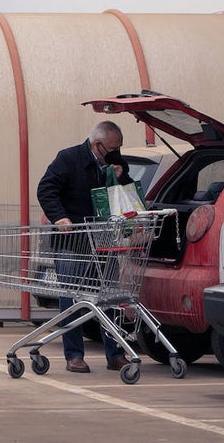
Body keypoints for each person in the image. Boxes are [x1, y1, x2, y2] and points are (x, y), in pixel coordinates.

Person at [36, 120, 134, 374]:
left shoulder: (115, 163)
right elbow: (46, 189)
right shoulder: (69, 159)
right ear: (97, 144)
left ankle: (116, 354)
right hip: (73, 241)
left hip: (103, 242)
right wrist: (59, 217)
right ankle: (74, 355)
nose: (116, 153)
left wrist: (121, 176)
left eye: (119, 148)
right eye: (112, 148)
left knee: (109, 297)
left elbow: (126, 195)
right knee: (72, 298)